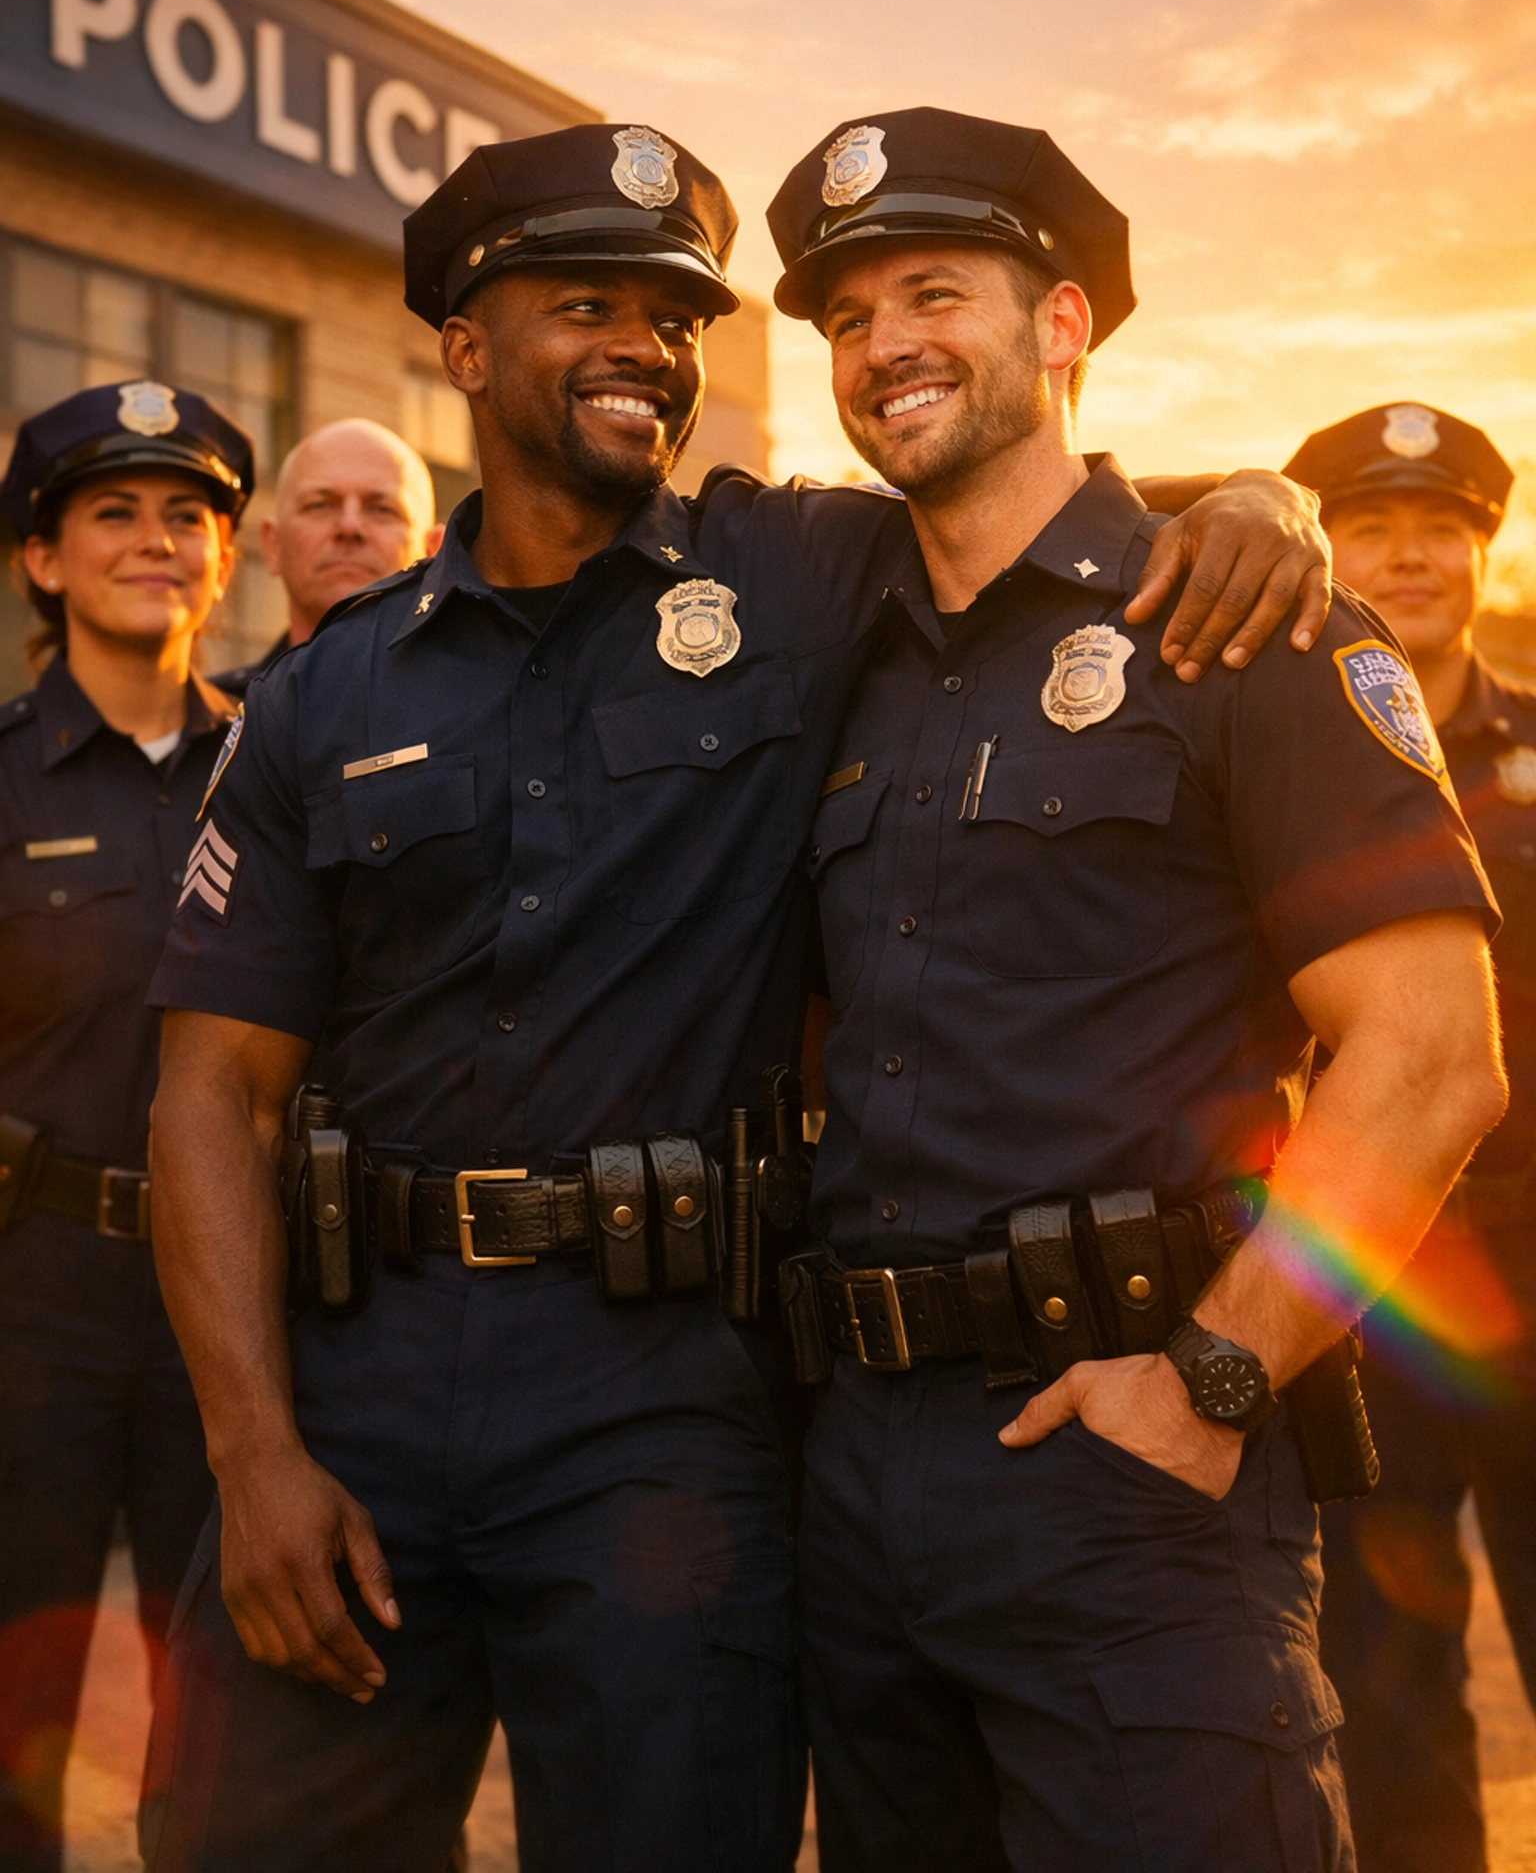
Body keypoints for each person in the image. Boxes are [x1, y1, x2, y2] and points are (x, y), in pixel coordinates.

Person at [139, 122, 1332, 1873]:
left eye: (674, 317)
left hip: (664, 1398)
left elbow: (1035, 509)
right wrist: (248, 1455)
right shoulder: (328, 689)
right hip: (355, 1381)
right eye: (586, 305)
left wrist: (1258, 498)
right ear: (464, 347)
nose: (643, 346)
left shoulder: (796, 573)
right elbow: (209, 1097)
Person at [762, 109, 1507, 1873]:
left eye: (933, 291)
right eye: (848, 318)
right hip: (859, 1472)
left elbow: (1429, 1061)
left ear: (1066, 326)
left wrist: (1216, 1377)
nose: (885, 348)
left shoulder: (1246, 628)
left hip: (1134, 1469)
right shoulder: (838, 652)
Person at [0, 381, 253, 1873]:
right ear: (44, 559)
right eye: (115, 514)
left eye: (190, 517)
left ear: (227, 557)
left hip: (228, 1295)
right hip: (35, 1290)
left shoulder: (274, 768)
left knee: (226, 1692)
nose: (157, 542)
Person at [1284, 404, 1536, 1873]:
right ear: (1327, 551)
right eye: (1371, 527)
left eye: (1437, 526)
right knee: (1386, 1686)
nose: (1409, 555)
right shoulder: (1279, 756)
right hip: (1371, 1287)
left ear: (1482, 546)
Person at [214, 418, 441, 694]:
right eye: (319, 505)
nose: (349, 526)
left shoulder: (483, 716)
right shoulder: (216, 728)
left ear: (433, 552)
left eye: (382, 509)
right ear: (273, 545)